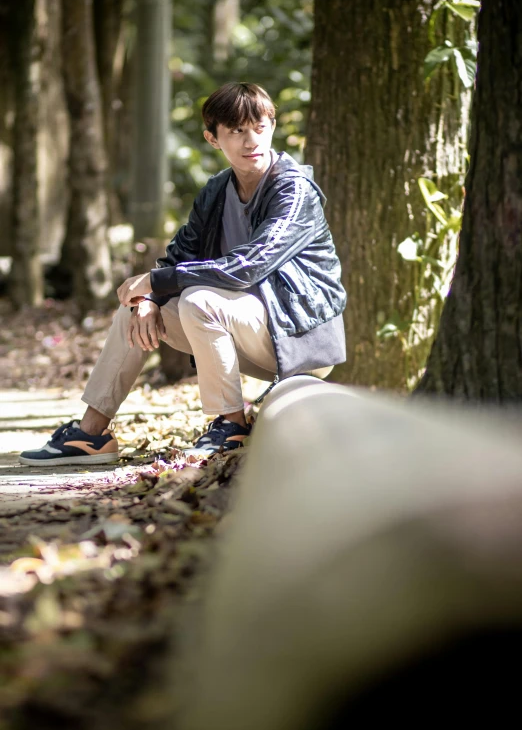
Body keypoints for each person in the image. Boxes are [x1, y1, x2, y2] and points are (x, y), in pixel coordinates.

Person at [19, 82, 346, 466]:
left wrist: (157, 283)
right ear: (213, 138)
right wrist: (148, 299)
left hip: (299, 335)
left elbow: (249, 265)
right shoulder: (215, 192)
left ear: (272, 127)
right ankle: (92, 434)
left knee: (197, 299)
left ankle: (230, 426)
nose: (250, 140)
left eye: (259, 127)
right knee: (134, 311)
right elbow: (178, 257)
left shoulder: (294, 190)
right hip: (245, 328)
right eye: (237, 131)